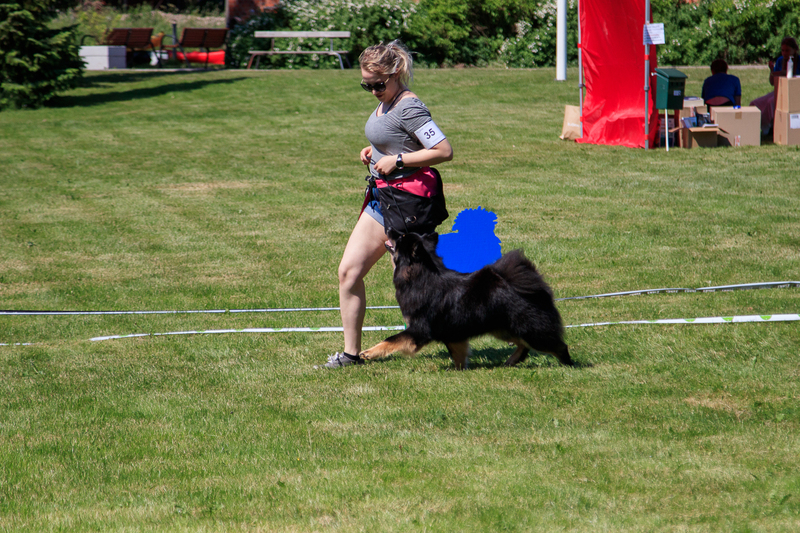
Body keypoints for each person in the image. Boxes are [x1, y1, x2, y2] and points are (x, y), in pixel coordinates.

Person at [317, 41, 454, 369]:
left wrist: (398, 160)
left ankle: (460, 338)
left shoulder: (410, 107)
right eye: (367, 85)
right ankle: (351, 355)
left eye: (378, 84)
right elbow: (395, 137)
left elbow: (443, 150)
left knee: (412, 289)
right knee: (349, 272)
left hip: (407, 206)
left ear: (396, 74)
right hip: (382, 200)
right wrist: (375, 151)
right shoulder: (387, 102)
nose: (373, 91)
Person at [750, 37, 800, 134]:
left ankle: (770, 129)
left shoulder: (799, 61)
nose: (784, 53)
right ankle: (754, 128)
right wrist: (772, 70)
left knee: (771, 102)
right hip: (779, 90)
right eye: (782, 50)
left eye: (787, 50)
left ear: (794, 50)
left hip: (793, 92)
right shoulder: (780, 60)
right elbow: (772, 82)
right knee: (755, 103)